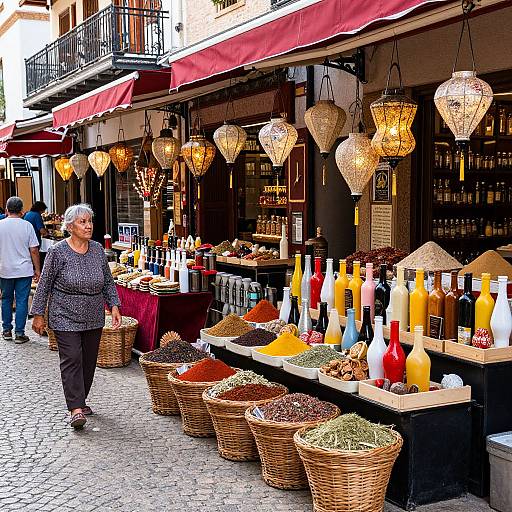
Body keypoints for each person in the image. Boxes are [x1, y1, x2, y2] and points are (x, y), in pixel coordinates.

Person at [31, 204, 121, 429]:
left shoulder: (98, 250)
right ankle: (76, 409)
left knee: (88, 361)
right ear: (69, 226)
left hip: (93, 314)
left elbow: (108, 281)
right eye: (82, 222)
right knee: (71, 358)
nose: (88, 225)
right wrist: (38, 314)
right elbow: (44, 285)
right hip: (64, 314)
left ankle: (80, 399)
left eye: (90, 221)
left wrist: (115, 305)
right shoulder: (58, 252)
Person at [0, 196, 40, 343]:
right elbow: (34, 250)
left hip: (4, 269)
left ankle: (6, 331)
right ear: (22, 211)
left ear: (6, 210)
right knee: (22, 300)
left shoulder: (0, 225)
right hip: (24, 270)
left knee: (6, 299)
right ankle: (19, 333)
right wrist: (37, 269)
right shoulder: (27, 226)